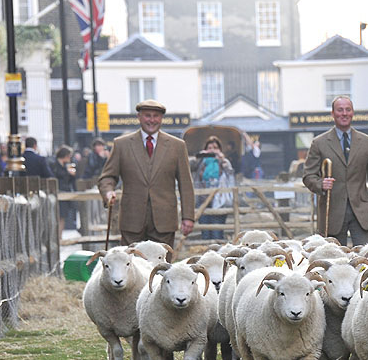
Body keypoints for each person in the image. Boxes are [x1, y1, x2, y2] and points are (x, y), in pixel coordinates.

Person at [98, 99, 195, 248]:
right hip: (132, 221)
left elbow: (186, 184)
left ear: (161, 118)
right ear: (139, 117)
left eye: (156, 116)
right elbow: (107, 177)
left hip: (164, 222)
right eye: (147, 115)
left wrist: (188, 217)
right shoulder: (121, 144)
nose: (152, 120)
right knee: (131, 267)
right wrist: (108, 192)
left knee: (161, 268)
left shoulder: (177, 146)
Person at [303, 95, 368, 246]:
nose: (344, 113)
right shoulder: (319, 143)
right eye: (340, 110)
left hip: (361, 210)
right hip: (332, 211)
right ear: (332, 114)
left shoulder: (367, 142)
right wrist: (321, 184)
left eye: (348, 110)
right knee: (334, 260)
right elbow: (308, 176)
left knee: (366, 256)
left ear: (353, 113)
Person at [196, 135, 234, 240]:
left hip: (219, 201)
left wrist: (222, 160)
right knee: (205, 233)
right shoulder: (201, 162)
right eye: (209, 148)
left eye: (215, 148)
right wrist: (201, 155)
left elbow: (230, 175)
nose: (212, 151)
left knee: (217, 233)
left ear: (220, 150)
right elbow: (190, 166)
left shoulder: (224, 162)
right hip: (202, 201)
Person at [52, 145, 77, 236]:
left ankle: (60, 236)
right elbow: (55, 176)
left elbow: (70, 181)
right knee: (58, 216)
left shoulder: (66, 166)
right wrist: (67, 173)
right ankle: (57, 237)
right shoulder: (54, 164)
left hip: (65, 193)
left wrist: (72, 175)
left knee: (62, 216)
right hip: (57, 193)